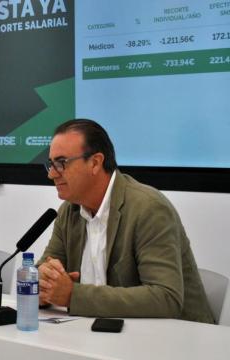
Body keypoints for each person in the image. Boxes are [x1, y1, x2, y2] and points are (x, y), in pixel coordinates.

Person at [38, 119, 214, 323]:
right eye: (51, 164)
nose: (52, 174)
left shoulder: (148, 208)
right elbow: (47, 268)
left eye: (61, 163)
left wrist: (73, 295)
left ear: (95, 162)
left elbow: (166, 298)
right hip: (101, 337)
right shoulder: (70, 211)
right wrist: (42, 282)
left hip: (177, 341)